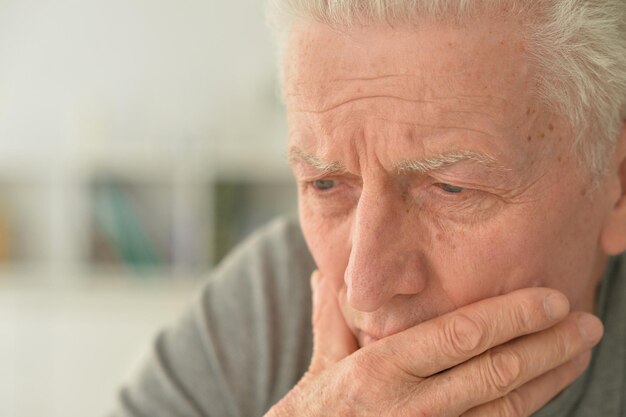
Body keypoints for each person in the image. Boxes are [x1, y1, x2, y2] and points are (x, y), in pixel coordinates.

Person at [110, 1, 626, 416]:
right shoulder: (269, 299)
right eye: (326, 183)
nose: (364, 286)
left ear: (618, 186)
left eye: (451, 189)